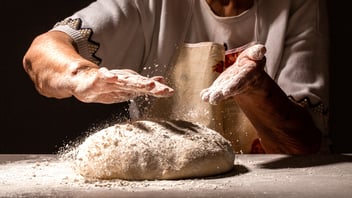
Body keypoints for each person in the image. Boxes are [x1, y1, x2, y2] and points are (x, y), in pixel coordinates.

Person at [22, 0, 330, 154]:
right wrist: (80, 76)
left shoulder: (298, 6)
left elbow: (303, 146)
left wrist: (256, 88)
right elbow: (42, 51)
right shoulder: (152, 4)